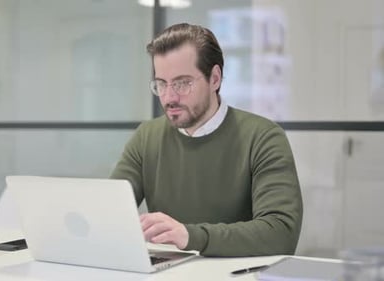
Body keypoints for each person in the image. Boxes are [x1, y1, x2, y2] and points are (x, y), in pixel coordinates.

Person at [110, 23, 303, 257]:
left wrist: (191, 237)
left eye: (182, 83)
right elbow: (110, 210)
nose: (169, 97)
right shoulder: (147, 136)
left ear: (215, 78)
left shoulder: (263, 137)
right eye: (161, 84)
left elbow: (281, 233)